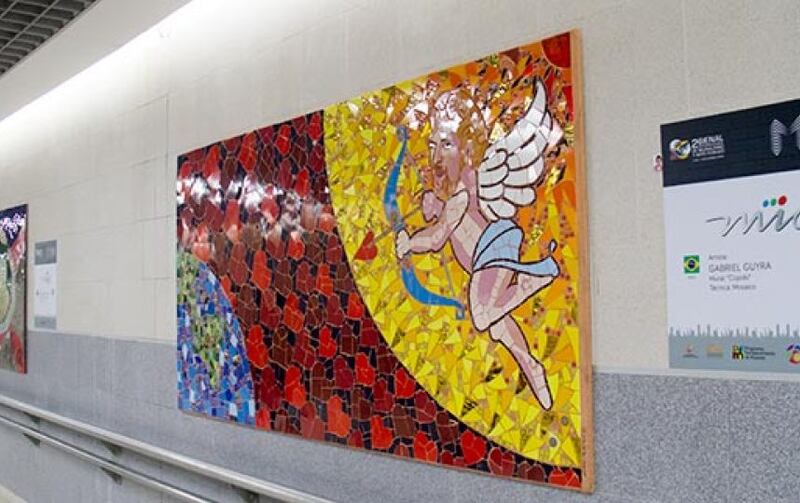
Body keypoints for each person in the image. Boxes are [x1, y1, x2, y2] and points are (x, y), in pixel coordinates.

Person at [395, 79, 562, 410]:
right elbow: (447, 220)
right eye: (432, 144)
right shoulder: (454, 194)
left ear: (468, 150)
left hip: (493, 248)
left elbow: (438, 237)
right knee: (499, 326)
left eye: (446, 144)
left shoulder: (463, 192)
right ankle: (532, 366)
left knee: (483, 313)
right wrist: (432, 204)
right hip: (486, 255)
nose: (435, 155)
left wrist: (409, 243)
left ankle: (534, 278)